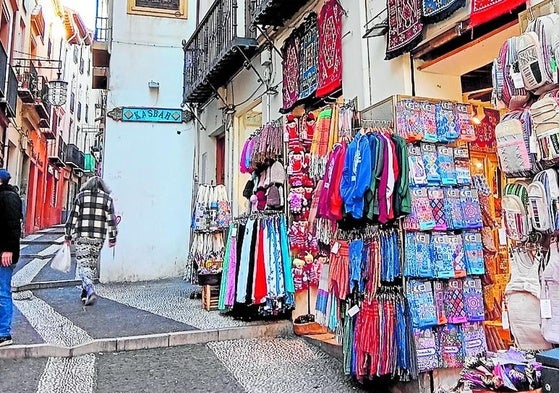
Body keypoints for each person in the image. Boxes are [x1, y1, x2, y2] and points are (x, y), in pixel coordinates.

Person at [65, 176, 118, 305]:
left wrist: (68, 235)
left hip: (82, 236)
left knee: (83, 264)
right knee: (91, 264)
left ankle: (90, 289)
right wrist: (113, 238)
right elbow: (111, 220)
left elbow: (73, 217)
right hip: (98, 237)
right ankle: (85, 294)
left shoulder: (81, 196)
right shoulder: (108, 199)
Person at [0, 169, 23, 347]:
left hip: (4, 254)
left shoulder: (9, 198)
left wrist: (8, 249)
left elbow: (13, 227)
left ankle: (4, 333)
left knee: (2, 292)